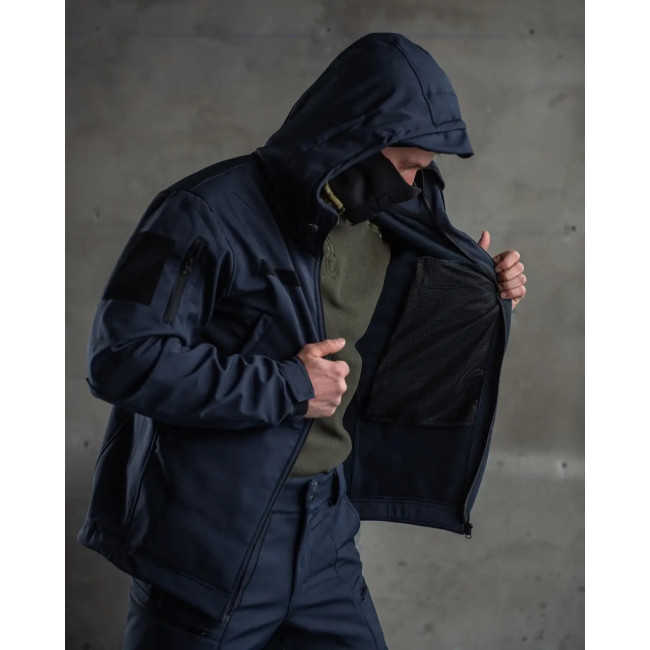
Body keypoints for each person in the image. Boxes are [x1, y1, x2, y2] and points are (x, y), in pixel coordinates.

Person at [78, 32, 526, 649]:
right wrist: (289, 386)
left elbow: (389, 335)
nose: (416, 182)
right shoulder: (198, 212)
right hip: (210, 539)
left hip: (324, 530)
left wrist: (478, 291)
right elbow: (121, 359)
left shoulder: (383, 222)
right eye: (406, 165)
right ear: (355, 139)